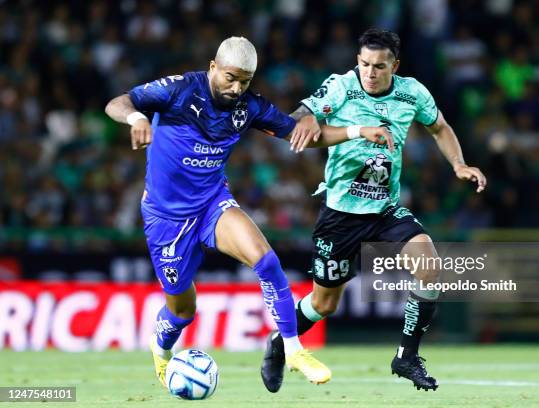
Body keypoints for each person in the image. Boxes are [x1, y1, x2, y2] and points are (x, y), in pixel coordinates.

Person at [104, 36, 391, 389]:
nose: (237, 87)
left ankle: (293, 349)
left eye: (245, 81)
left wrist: (358, 131)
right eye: (230, 77)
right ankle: (160, 349)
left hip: (212, 204)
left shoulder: (250, 107)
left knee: (266, 261)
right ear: (213, 67)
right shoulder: (178, 90)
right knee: (182, 311)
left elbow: (302, 135)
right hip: (166, 218)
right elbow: (118, 102)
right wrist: (136, 117)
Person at [261, 28, 487, 392]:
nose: (370, 72)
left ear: (394, 66)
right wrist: (305, 115)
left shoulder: (412, 92)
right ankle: (277, 344)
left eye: (379, 66)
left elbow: (440, 128)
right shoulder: (341, 86)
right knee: (324, 303)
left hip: (384, 210)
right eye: (365, 64)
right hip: (340, 216)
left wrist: (459, 164)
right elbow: (303, 113)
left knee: (429, 267)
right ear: (357, 61)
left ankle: (406, 357)